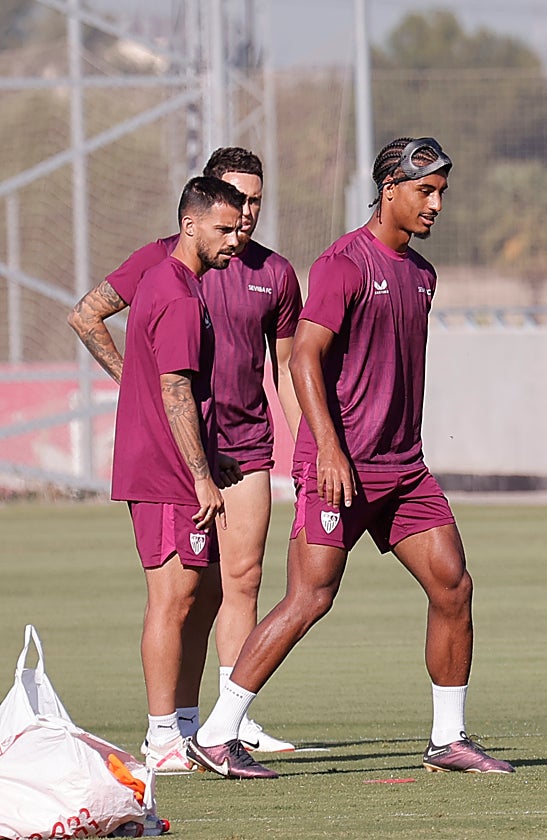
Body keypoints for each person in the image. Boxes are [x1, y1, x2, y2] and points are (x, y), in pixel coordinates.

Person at [185, 136, 514, 779]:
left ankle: (448, 739)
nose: (435, 204)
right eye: (425, 190)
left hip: (404, 469)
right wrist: (329, 450)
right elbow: (303, 356)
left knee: (453, 585)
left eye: (442, 192)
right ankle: (218, 732)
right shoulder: (342, 264)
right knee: (310, 598)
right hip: (340, 467)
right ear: (389, 188)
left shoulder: (423, 274)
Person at [68, 148, 302, 756]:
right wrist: (134, 386)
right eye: (231, 204)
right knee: (176, 593)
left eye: (254, 201)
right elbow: (92, 318)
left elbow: (285, 367)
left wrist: (307, 449)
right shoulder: (166, 271)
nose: (244, 215)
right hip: (181, 454)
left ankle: (224, 719)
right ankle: (165, 732)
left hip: (238, 445)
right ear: (200, 205)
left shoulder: (271, 272)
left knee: (231, 581)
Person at [109, 176, 246, 773]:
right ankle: (162, 736)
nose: (235, 239)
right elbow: (173, 388)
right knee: (173, 596)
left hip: (180, 464)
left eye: (239, 227)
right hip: (164, 473)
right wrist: (200, 476)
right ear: (190, 224)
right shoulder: (177, 290)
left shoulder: (184, 284)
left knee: (208, 589)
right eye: (224, 228)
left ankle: (185, 726)